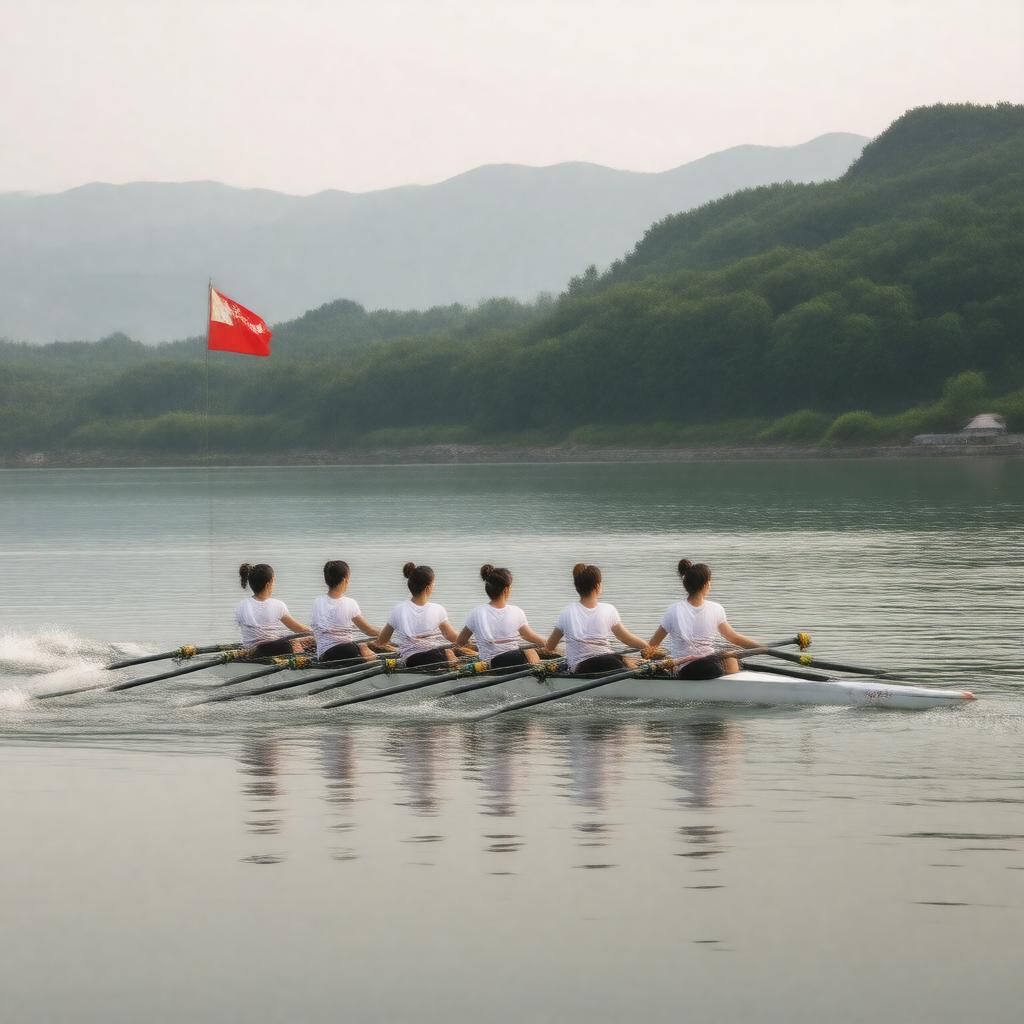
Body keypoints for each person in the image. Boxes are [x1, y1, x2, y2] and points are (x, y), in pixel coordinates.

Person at [646, 559, 761, 679]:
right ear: (705, 584)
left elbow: (651, 647)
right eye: (710, 581)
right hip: (708, 667)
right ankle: (734, 687)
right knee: (730, 655)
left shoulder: (672, 610)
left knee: (727, 656)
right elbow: (735, 638)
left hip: (684, 669)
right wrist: (762, 648)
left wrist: (660, 659)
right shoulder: (716, 608)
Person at [545, 563, 654, 673]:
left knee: (621, 660)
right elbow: (626, 638)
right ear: (597, 586)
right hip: (597, 664)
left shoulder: (566, 612)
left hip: (582, 666)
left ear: (577, 587)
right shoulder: (609, 609)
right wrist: (647, 646)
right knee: (622, 660)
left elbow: (550, 646)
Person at [455, 564, 549, 668]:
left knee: (526, 653)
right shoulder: (516, 611)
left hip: (488, 663)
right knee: (530, 651)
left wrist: (480, 644)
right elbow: (530, 636)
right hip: (503, 661)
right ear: (506, 590)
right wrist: (549, 642)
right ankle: (539, 675)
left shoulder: (476, 612)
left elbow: (460, 642)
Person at [376, 563, 462, 668]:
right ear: (428, 588)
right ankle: (458, 674)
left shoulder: (398, 609)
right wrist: (469, 639)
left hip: (409, 660)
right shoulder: (438, 609)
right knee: (452, 652)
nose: (435, 585)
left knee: (449, 652)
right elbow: (452, 637)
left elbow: (381, 641)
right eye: (434, 583)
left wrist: (395, 647)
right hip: (435, 658)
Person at [310, 560, 384, 663]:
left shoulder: (317, 602)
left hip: (323, 656)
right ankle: (373, 658)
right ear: (345, 579)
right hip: (347, 652)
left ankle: (366, 653)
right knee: (364, 645)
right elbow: (368, 630)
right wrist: (386, 634)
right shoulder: (350, 603)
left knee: (365, 645)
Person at [236, 562, 312, 657]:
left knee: (289, 640)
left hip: (250, 651)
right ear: (268, 584)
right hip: (268, 650)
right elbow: (299, 629)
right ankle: (303, 660)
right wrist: (316, 632)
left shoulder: (241, 605)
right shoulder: (277, 605)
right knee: (303, 641)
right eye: (274, 580)